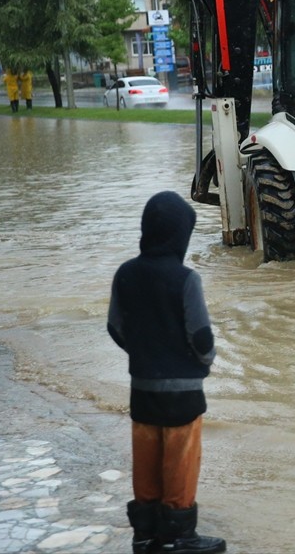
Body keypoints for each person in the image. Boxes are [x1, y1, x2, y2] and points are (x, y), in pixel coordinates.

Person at [108, 191, 227, 554]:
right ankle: (179, 537)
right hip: (183, 392)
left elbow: (116, 327)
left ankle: (145, 535)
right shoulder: (186, 279)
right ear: (180, 236)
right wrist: (204, 362)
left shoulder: (125, 274)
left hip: (142, 388)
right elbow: (201, 337)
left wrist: (144, 356)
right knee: (180, 461)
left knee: (146, 460)